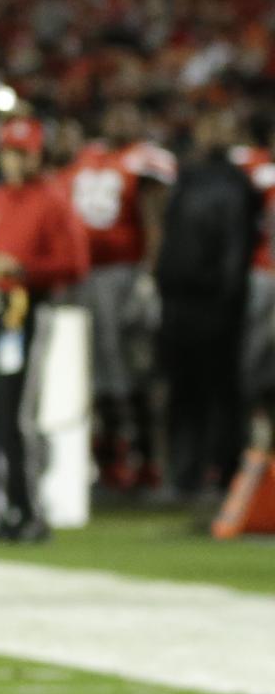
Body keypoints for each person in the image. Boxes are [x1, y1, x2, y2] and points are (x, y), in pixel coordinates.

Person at [0, 116, 91, 541]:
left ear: (37, 154)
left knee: (21, 414)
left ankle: (31, 509)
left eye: (24, 153)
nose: (16, 161)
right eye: (10, 152)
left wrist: (22, 269)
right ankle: (7, 505)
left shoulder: (53, 199)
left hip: (29, 308)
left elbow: (75, 265)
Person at [64, 103, 173, 490]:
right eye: (114, 115)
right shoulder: (87, 155)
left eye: (129, 116)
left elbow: (154, 222)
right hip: (82, 275)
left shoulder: (144, 160)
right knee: (92, 370)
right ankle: (107, 456)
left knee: (131, 369)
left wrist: (147, 275)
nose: (120, 121)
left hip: (122, 274)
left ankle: (143, 456)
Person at [154, 111, 262, 498]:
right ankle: (185, 473)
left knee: (220, 390)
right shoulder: (188, 177)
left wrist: (230, 299)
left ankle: (224, 471)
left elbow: (237, 247)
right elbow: (170, 242)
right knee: (184, 389)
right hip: (181, 300)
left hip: (214, 303)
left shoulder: (234, 183)